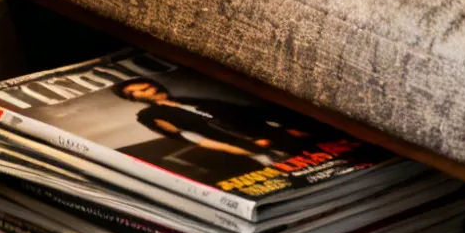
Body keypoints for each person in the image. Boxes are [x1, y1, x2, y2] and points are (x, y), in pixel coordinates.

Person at [113, 78, 314, 166]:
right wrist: (251, 149)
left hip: (273, 134)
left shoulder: (187, 100)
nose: (150, 90)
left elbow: (245, 113)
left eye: (149, 86)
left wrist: (286, 126)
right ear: (135, 98)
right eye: (138, 92)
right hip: (247, 148)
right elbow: (193, 139)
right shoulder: (150, 115)